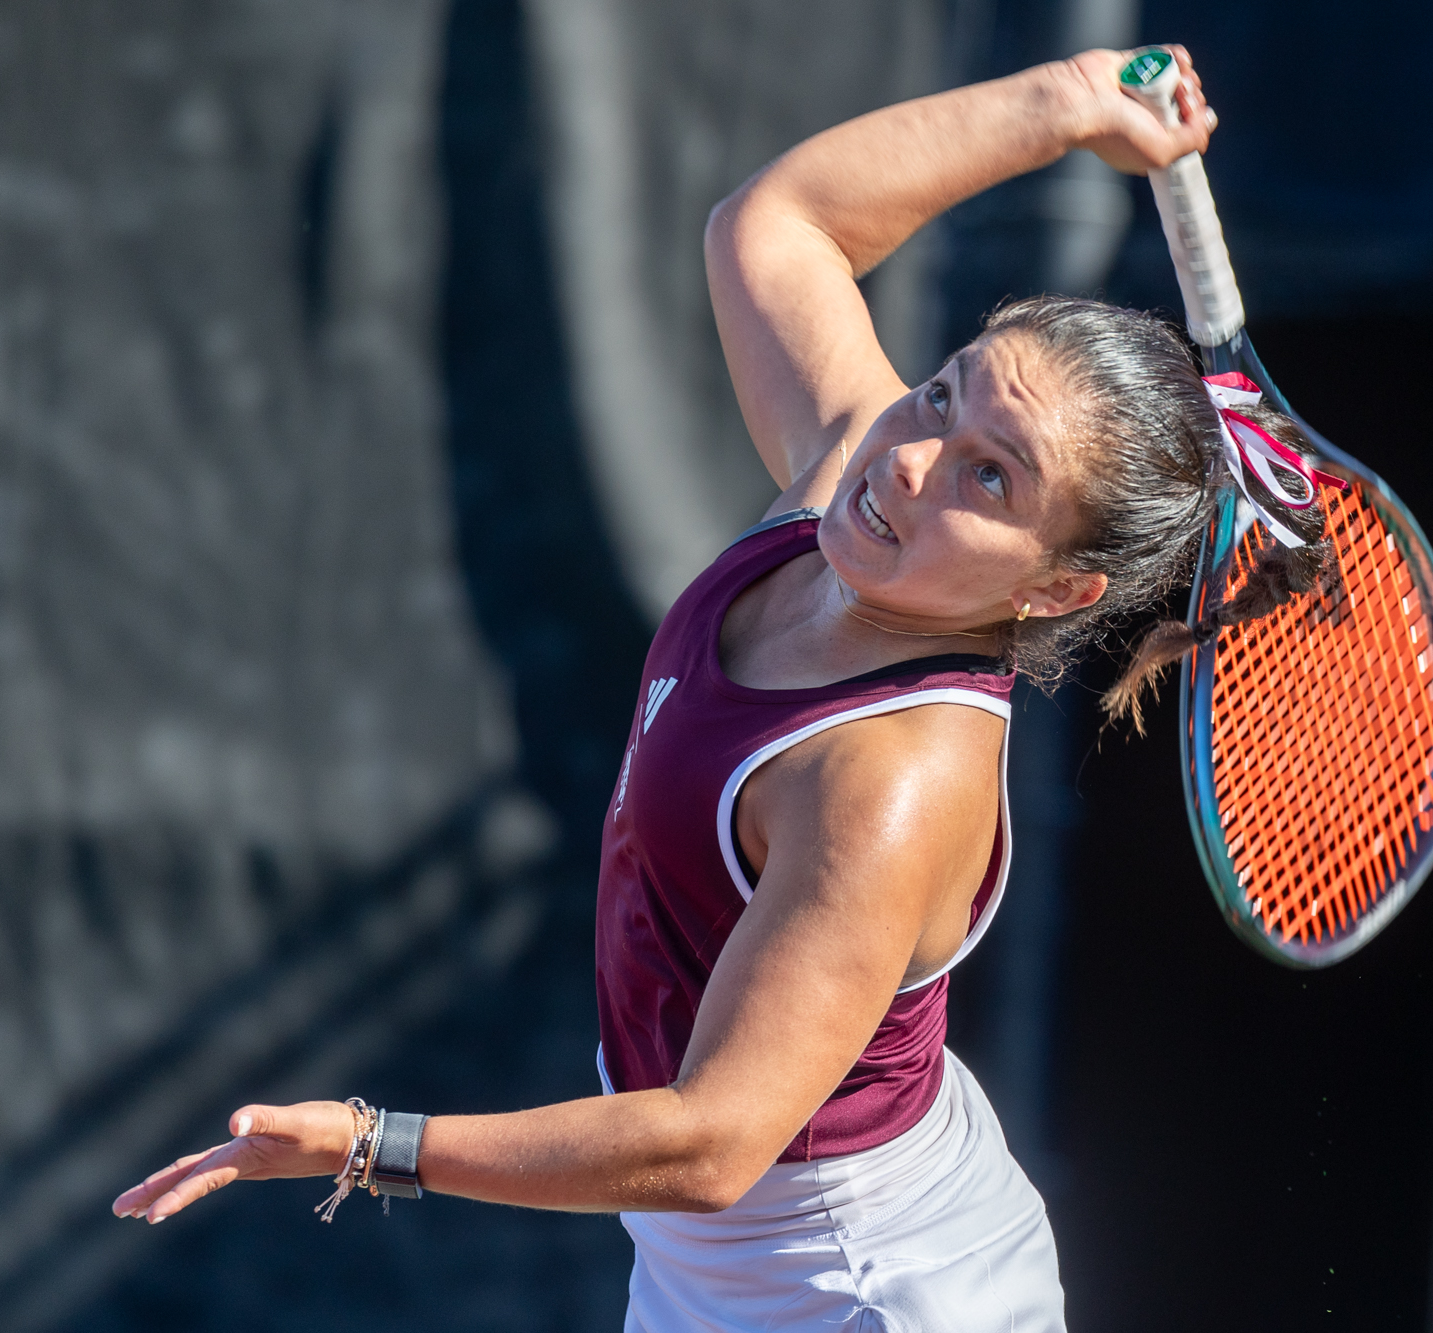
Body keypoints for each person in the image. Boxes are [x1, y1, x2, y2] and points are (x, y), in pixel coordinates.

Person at [112, 43, 1331, 1331]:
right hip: (741, 1253)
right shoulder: (850, 480)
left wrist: (372, 1144)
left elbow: (709, 1146)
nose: (915, 461)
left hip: (848, 1295)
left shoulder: (893, 783)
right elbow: (777, 225)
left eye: (992, 478)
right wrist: (1063, 106)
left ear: (1054, 593)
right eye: (939, 395)